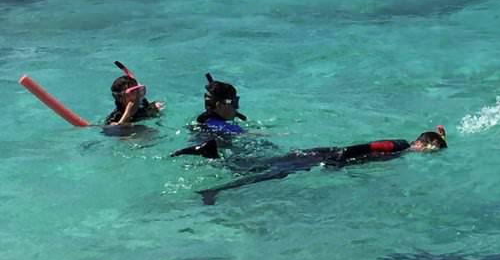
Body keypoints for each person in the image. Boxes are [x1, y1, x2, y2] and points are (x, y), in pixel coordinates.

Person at [177, 126, 448, 204]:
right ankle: (215, 190)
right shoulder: (399, 145)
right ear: (421, 143)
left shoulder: (403, 150)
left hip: (325, 155)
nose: (428, 154)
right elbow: (367, 146)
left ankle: (212, 156)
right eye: (431, 150)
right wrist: (337, 159)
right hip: (328, 156)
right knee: (275, 172)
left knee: (264, 165)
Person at [103, 61, 163, 126]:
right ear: (119, 98)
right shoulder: (116, 117)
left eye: (138, 90)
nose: (137, 94)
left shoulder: (142, 102)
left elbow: (150, 112)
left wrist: (154, 109)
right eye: (132, 91)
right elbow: (113, 128)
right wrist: (127, 115)